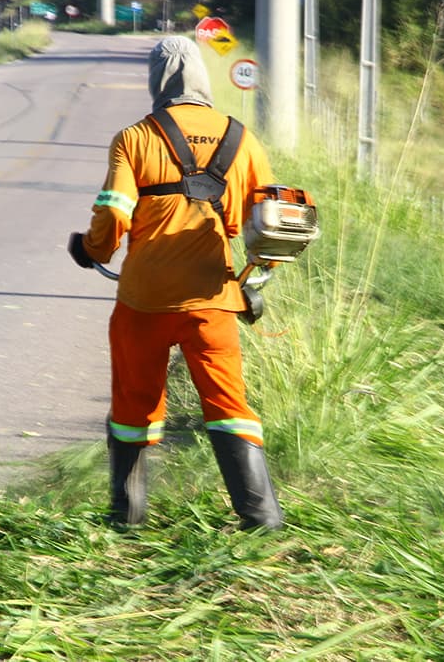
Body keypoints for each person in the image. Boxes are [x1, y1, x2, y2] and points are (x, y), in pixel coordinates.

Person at [66, 36, 283, 531]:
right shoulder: (242, 139)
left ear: (156, 79)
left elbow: (114, 213)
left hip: (144, 299)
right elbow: (270, 224)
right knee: (229, 405)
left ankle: (128, 519)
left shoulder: (135, 138)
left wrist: (91, 250)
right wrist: (253, 282)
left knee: (133, 406)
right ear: (203, 78)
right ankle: (261, 517)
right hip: (213, 296)